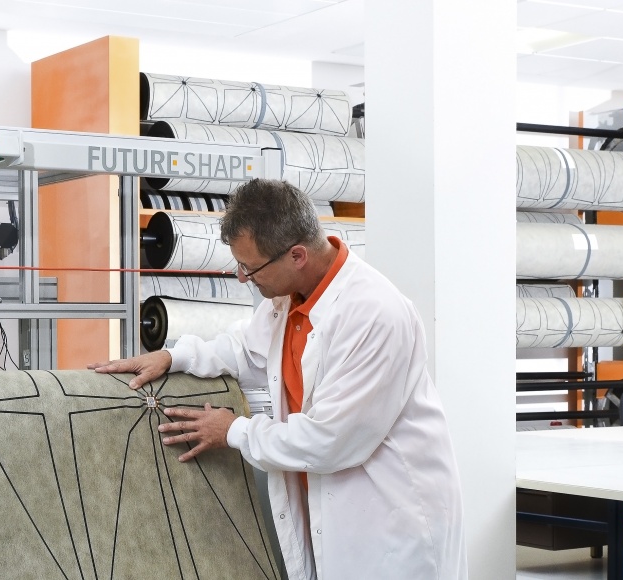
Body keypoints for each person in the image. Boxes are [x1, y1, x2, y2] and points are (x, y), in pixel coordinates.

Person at [89, 179, 467, 580]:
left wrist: (233, 430)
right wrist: (173, 355)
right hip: (336, 517)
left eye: (250, 268)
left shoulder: (374, 314)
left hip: (393, 523)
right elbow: (245, 349)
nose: (242, 278)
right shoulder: (290, 300)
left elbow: (329, 440)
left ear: (297, 255)